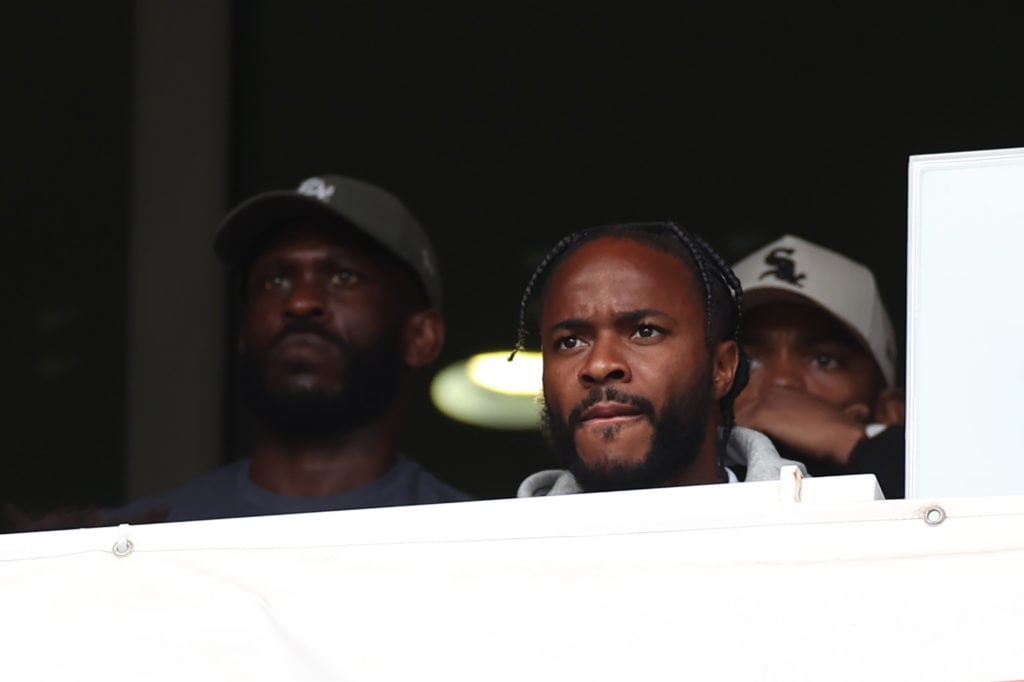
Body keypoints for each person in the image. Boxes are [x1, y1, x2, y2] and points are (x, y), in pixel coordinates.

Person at [112, 174, 469, 522]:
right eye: (275, 280)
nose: (300, 302)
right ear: (242, 332)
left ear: (421, 336)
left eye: (344, 276)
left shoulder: (483, 552)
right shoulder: (127, 548)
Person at [512, 221, 805, 497]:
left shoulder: (826, 533)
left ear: (721, 368)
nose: (599, 365)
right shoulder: (497, 548)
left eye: (645, 331)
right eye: (570, 342)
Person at [730, 234, 905, 498]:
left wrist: (851, 440)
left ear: (889, 411)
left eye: (824, 360)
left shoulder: (920, 471)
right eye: (749, 361)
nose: (783, 381)